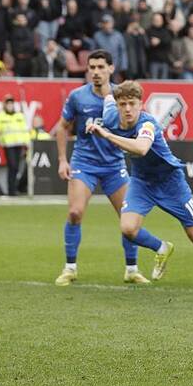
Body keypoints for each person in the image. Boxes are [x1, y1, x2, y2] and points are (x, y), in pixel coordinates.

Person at [87, 80, 193, 275]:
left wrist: (106, 136)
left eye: (132, 103)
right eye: (122, 104)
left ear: (141, 104)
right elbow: (108, 97)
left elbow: (141, 148)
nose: (127, 109)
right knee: (128, 228)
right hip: (141, 182)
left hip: (170, 182)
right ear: (117, 106)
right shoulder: (109, 116)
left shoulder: (148, 124)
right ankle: (162, 247)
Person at [54, 51, 162, 286]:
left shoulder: (121, 97)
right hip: (84, 163)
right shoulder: (77, 97)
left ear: (111, 69)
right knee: (75, 212)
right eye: (91, 67)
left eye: (101, 67)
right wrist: (63, 160)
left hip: (114, 166)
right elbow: (62, 128)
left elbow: (139, 130)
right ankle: (70, 268)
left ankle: (131, 269)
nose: (95, 72)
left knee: (128, 219)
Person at [0, 95, 30, 197]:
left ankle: (13, 189)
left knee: (16, 167)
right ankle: (11, 190)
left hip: (19, 144)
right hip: (8, 145)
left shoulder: (19, 116)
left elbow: (24, 131)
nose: (10, 105)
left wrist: (27, 143)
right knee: (12, 166)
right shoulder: (1, 116)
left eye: (11, 103)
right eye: (8, 103)